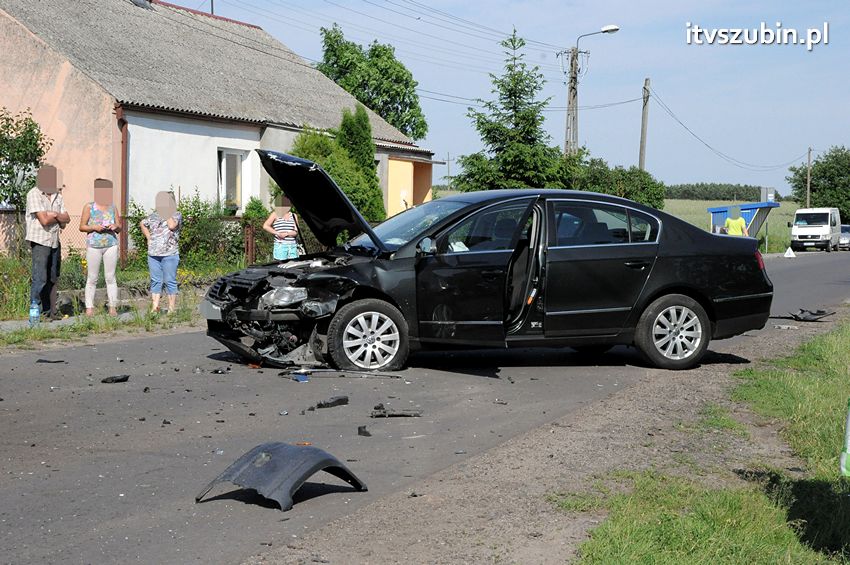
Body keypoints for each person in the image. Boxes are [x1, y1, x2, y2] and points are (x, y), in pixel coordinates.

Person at [25, 164, 70, 320]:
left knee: (53, 277)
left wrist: (54, 214)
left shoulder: (58, 196)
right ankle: (34, 312)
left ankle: (50, 312)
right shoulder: (34, 194)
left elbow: (67, 219)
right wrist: (58, 216)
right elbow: (44, 220)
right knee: (40, 277)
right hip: (40, 240)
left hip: (54, 240)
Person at [78, 179, 121, 316]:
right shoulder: (89, 207)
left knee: (110, 277)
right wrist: (94, 227)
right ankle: (89, 308)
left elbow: (119, 226)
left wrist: (115, 227)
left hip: (111, 244)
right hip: (94, 245)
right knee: (92, 277)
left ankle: (112, 306)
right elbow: (82, 226)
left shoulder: (113, 207)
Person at [139, 191, 182, 314]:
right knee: (155, 280)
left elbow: (172, 226)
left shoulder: (176, 215)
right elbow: (142, 223)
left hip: (170, 254)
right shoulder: (154, 215)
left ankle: (171, 309)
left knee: (170, 280)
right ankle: (155, 307)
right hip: (153, 254)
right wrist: (148, 237)